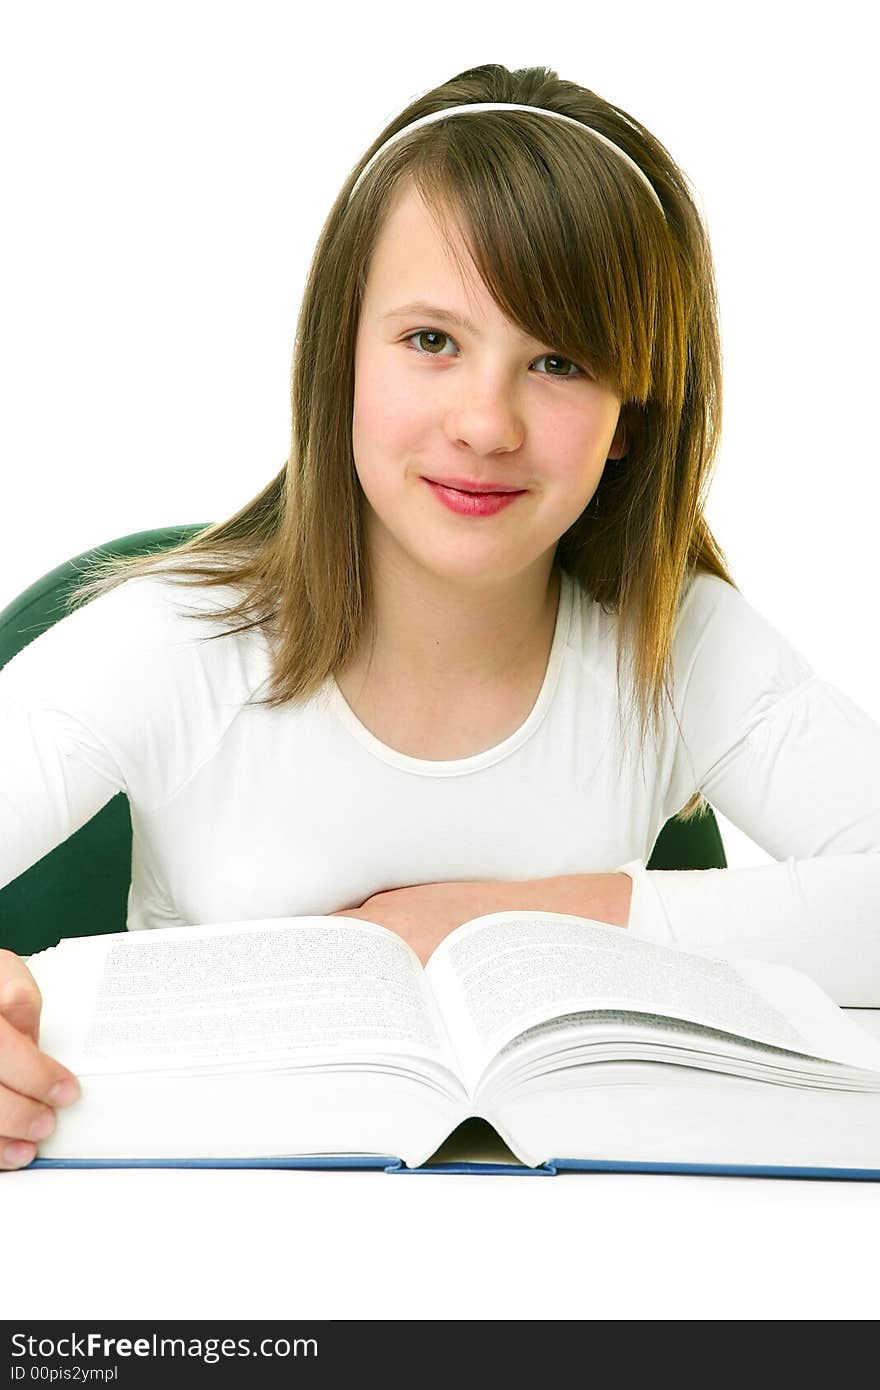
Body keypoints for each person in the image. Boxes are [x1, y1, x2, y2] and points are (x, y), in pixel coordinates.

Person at [1, 63, 878, 1171]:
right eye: (431, 341)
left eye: (558, 362)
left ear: (628, 418)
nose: (485, 421)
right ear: (340, 358)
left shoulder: (675, 641)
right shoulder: (177, 641)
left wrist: (479, 920)